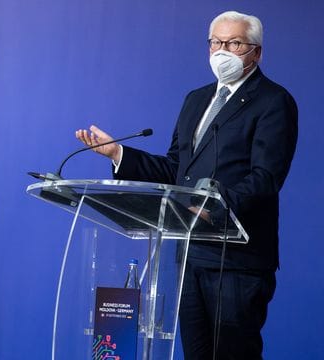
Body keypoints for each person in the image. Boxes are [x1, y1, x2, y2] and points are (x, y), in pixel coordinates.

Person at [75, 10, 298, 360]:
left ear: (256, 52)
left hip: (237, 261)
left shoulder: (273, 101)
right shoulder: (196, 99)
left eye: (235, 43)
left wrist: (213, 207)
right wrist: (118, 153)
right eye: (216, 42)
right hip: (189, 257)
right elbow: (176, 170)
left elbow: (266, 177)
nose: (223, 50)